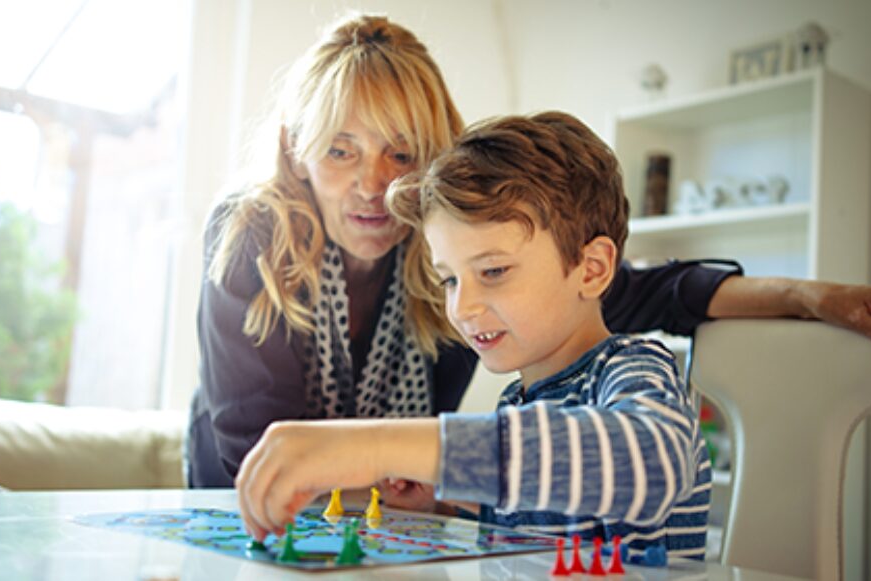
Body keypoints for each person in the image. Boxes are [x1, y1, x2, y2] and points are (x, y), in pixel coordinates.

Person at [187, 13, 871, 488]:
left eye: (401, 154)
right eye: (341, 152)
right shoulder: (254, 234)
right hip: (250, 500)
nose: (374, 187)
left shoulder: (459, 257)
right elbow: (253, 449)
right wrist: (409, 473)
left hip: (381, 507)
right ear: (297, 149)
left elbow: (639, 293)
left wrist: (804, 296)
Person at [237, 111, 709, 563]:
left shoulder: (631, 367)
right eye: (450, 280)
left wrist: (376, 444)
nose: (462, 308)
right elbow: (533, 527)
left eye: (494, 271)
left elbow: (648, 463)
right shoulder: (518, 403)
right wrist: (441, 508)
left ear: (592, 269)